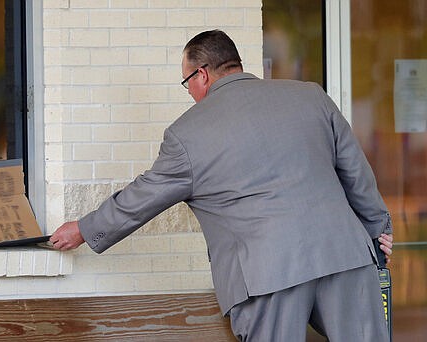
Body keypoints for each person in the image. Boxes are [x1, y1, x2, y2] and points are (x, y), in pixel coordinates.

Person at [51, 30, 394, 341]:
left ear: (201, 74)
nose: (190, 94)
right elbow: (357, 175)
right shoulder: (310, 96)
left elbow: (143, 196)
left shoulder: (188, 134)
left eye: (187, 83)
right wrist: (377, 235)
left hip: (268, 273)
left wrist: (83, 229)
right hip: (347, 256)